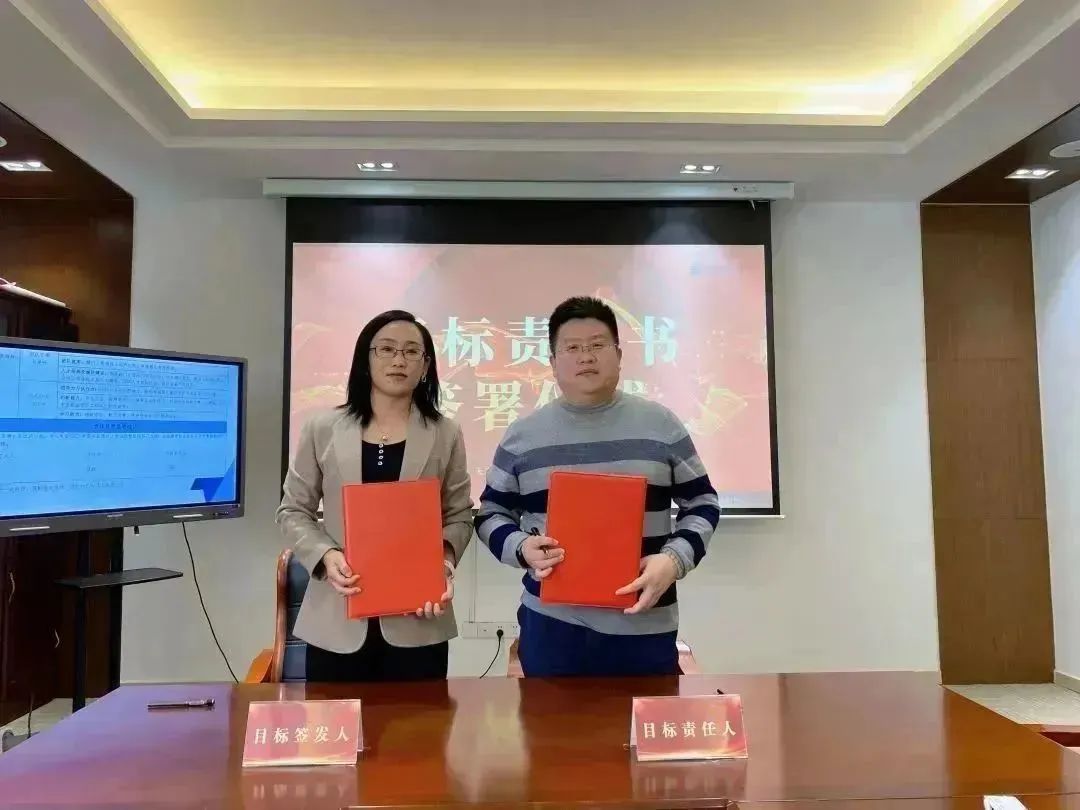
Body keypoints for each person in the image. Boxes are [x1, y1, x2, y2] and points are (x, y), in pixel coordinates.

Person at [475, 296, 720, 677]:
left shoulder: (661, 425)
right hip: (552, 625)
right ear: (553, 362)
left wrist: (673, 560)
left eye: (597, 345)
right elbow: (491, 513)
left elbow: (703, 503)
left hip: (644, 623)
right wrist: (521, 547)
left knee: (643, 718)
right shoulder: (523, 436)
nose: (586, 357)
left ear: (619, 355)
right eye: (572, 348)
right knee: (549, 719)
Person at [277, 310, 472, 682]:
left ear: (425, 366)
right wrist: (326, 556)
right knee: (335, 720)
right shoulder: (322, 427)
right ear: (365, 359)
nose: (399, 360)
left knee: (418, 722)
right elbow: (293, 510)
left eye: (411, 351)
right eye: (386, 349)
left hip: (419, 617)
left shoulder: (446, 432)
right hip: (336, 618)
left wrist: (443, 564)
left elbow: (459, 515)